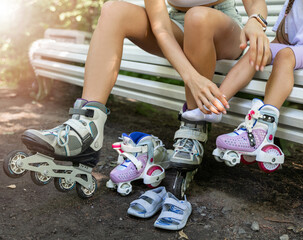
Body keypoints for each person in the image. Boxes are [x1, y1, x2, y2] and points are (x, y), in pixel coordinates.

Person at [22, 0, 270, 171]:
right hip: (177, 26)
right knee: (113, 10)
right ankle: (86, 125)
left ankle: (194, 128)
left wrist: (256, 21)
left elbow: (255, 5)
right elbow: (161, 28)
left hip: (222, 27)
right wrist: (191, 77)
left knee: (198, 16)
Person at [204, 0, 303, 169]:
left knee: (285, 55)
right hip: (297, 50)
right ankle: (215, 104)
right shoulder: (292, 2)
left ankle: (262, 130)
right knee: (257, 50)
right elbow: (280, 39)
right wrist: (264, 52)